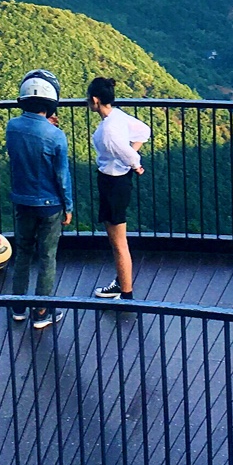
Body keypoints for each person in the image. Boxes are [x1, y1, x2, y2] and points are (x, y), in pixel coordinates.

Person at [5, 69, 72, 329]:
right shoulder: (56, 135)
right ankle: (42, 312)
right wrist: (68, 206)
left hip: (22, 200)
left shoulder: (12, 127)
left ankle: (18, 307)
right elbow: (61, 175)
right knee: (47, 257)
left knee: (22, 253)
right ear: (51, 102)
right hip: (49, 205)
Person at [86, 76, 150, 299]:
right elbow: (143, 131)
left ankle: (126, 293)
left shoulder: (108, 132)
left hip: (112, 184)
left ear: (95, 100)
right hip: (118, 180)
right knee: (117, 240)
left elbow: (127, 153)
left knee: (118, 242)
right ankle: (122, 283)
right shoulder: (118, 117)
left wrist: (135, 163)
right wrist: (130, 160)